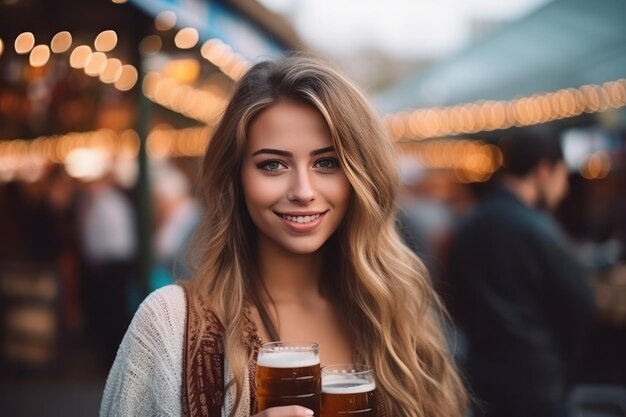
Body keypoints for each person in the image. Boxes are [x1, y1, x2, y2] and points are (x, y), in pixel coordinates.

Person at [100, 55, 467, 417]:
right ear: (236, 177)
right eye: (272, 165)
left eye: (327, 162)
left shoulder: (396, 311)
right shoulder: (170, 325)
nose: (303, 191)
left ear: (361, 176)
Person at [442, 129, 596, 417]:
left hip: (480, 379)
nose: (563, 190)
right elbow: (582, 303)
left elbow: (453, 297)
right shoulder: (538, 228)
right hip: (537, 384)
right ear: (543, 170)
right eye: (562, 177)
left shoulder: (467, 225)